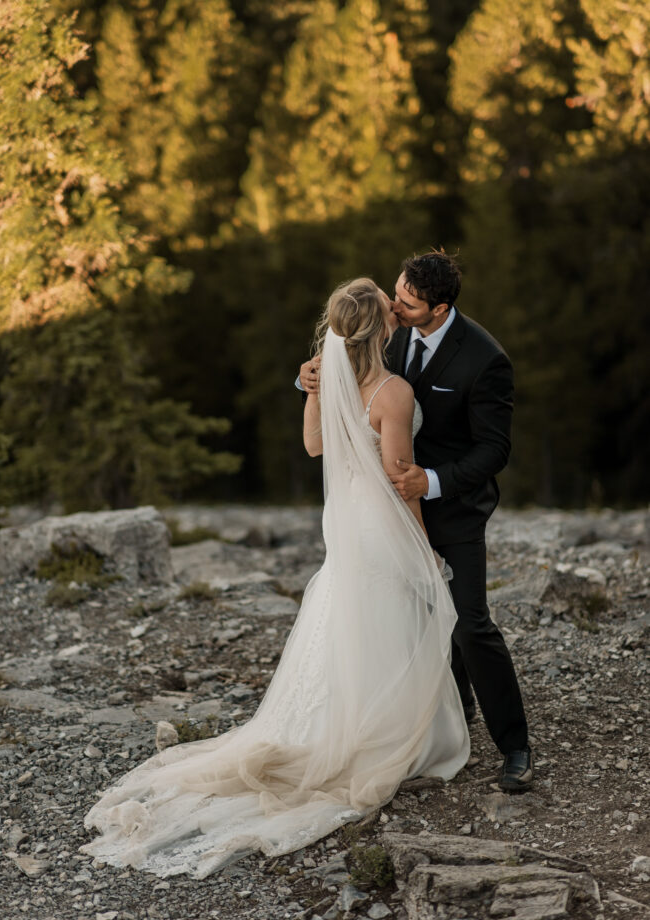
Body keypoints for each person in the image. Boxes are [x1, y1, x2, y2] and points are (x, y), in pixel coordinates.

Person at [81, 278, 469, 879]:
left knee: (349, 617)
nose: (397, 309)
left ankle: (339, 725)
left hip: (344, 524)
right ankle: (389, 737)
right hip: (380, 522)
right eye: (388, 307)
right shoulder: (392, 392)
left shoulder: (328, 376)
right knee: (390, 618)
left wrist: (310, 385)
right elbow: (401, 478)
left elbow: (314, 445)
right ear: (382, 327)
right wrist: (425, 552)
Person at [301, 252, 532, 791]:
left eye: (407, 302)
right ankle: (451, 720)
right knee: (421, 622)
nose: (396, 307)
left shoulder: (484, 358)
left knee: (470, 623)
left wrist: (428, 482)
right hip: (385, 511)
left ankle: (515, 745)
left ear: (440, 307)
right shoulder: (389, 332)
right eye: (396, 295)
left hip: (450, 506)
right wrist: (307, 380)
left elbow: (495, 449)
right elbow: (351, 384)